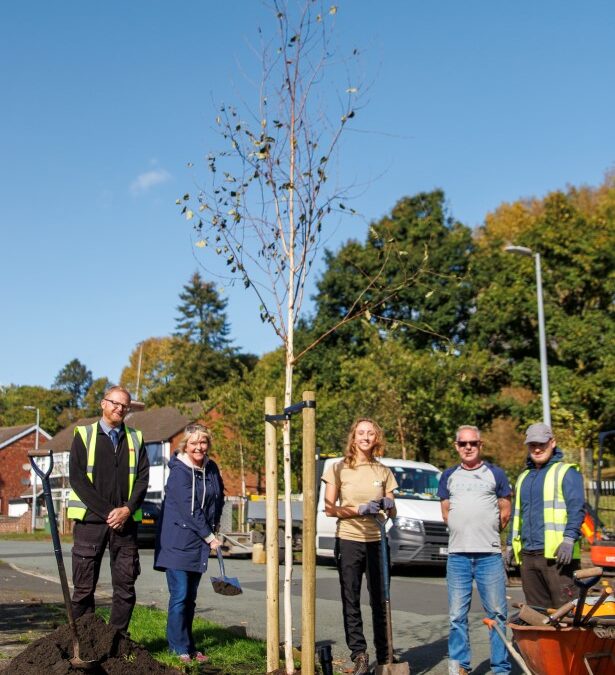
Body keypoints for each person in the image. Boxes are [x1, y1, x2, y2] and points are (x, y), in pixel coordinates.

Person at [68, 385, 149, 632]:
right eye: (115, 403)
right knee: (83, 588)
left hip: (125, 524)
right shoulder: (84, 435)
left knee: (125, 587)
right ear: (103, 404)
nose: (119, 408)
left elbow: (143, 479)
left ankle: (116, 641)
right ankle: (82, 639)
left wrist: (126, 510)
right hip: (91, 522)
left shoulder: (136, 438)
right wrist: (107, 512)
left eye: (124, 405)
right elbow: (78, 479)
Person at [321, 418, 398, 675]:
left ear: (377, 439)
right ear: (353, 437)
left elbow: (394, 510)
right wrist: (358, 510)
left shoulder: (383, 471)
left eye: (371, 433)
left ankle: (386, 656)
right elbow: (330, 508)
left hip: (377, 542)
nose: (366, 437)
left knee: (380, 599)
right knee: (351, 599)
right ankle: (360, 654)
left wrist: (388, 504)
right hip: (349, 540)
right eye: (361, 433)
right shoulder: (338, 468)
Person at [438, 425, 512, 675]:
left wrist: (485, 531)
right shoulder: (448, 476)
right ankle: (460, 668)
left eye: (472, 443)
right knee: (457, 616)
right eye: (462, 443)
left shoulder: (496, 474)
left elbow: (505, 512)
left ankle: (501, 668)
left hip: (489, 556)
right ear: (456, 446)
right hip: (457, 556)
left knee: (498, 616)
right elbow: (447, 513)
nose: (467, 447)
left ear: (480, 445)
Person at [154, 424, 225, 664]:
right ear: (185, 445)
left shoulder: (211, 468)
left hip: (198, 542)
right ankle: (177, 648)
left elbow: (218, 498)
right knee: (180, 595)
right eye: (194, 443)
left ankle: (189, 646)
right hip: (176, 541)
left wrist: (215, 528)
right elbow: (189, 510)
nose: (199, 447)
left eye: (203, 442)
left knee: (190, 598)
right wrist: (210, 537)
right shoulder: (179, 472)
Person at [506, 422, 585, 608]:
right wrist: (510, 545)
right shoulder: (523, 477)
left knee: (567, 613)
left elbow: (577, 509)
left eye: (542, 444)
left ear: (553, 442)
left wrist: (568, 539)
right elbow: (517, 515)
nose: (537, 449)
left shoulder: (566, 473)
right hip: (528, 557)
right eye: (533, 445)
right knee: (538, 615)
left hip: (558, 557)